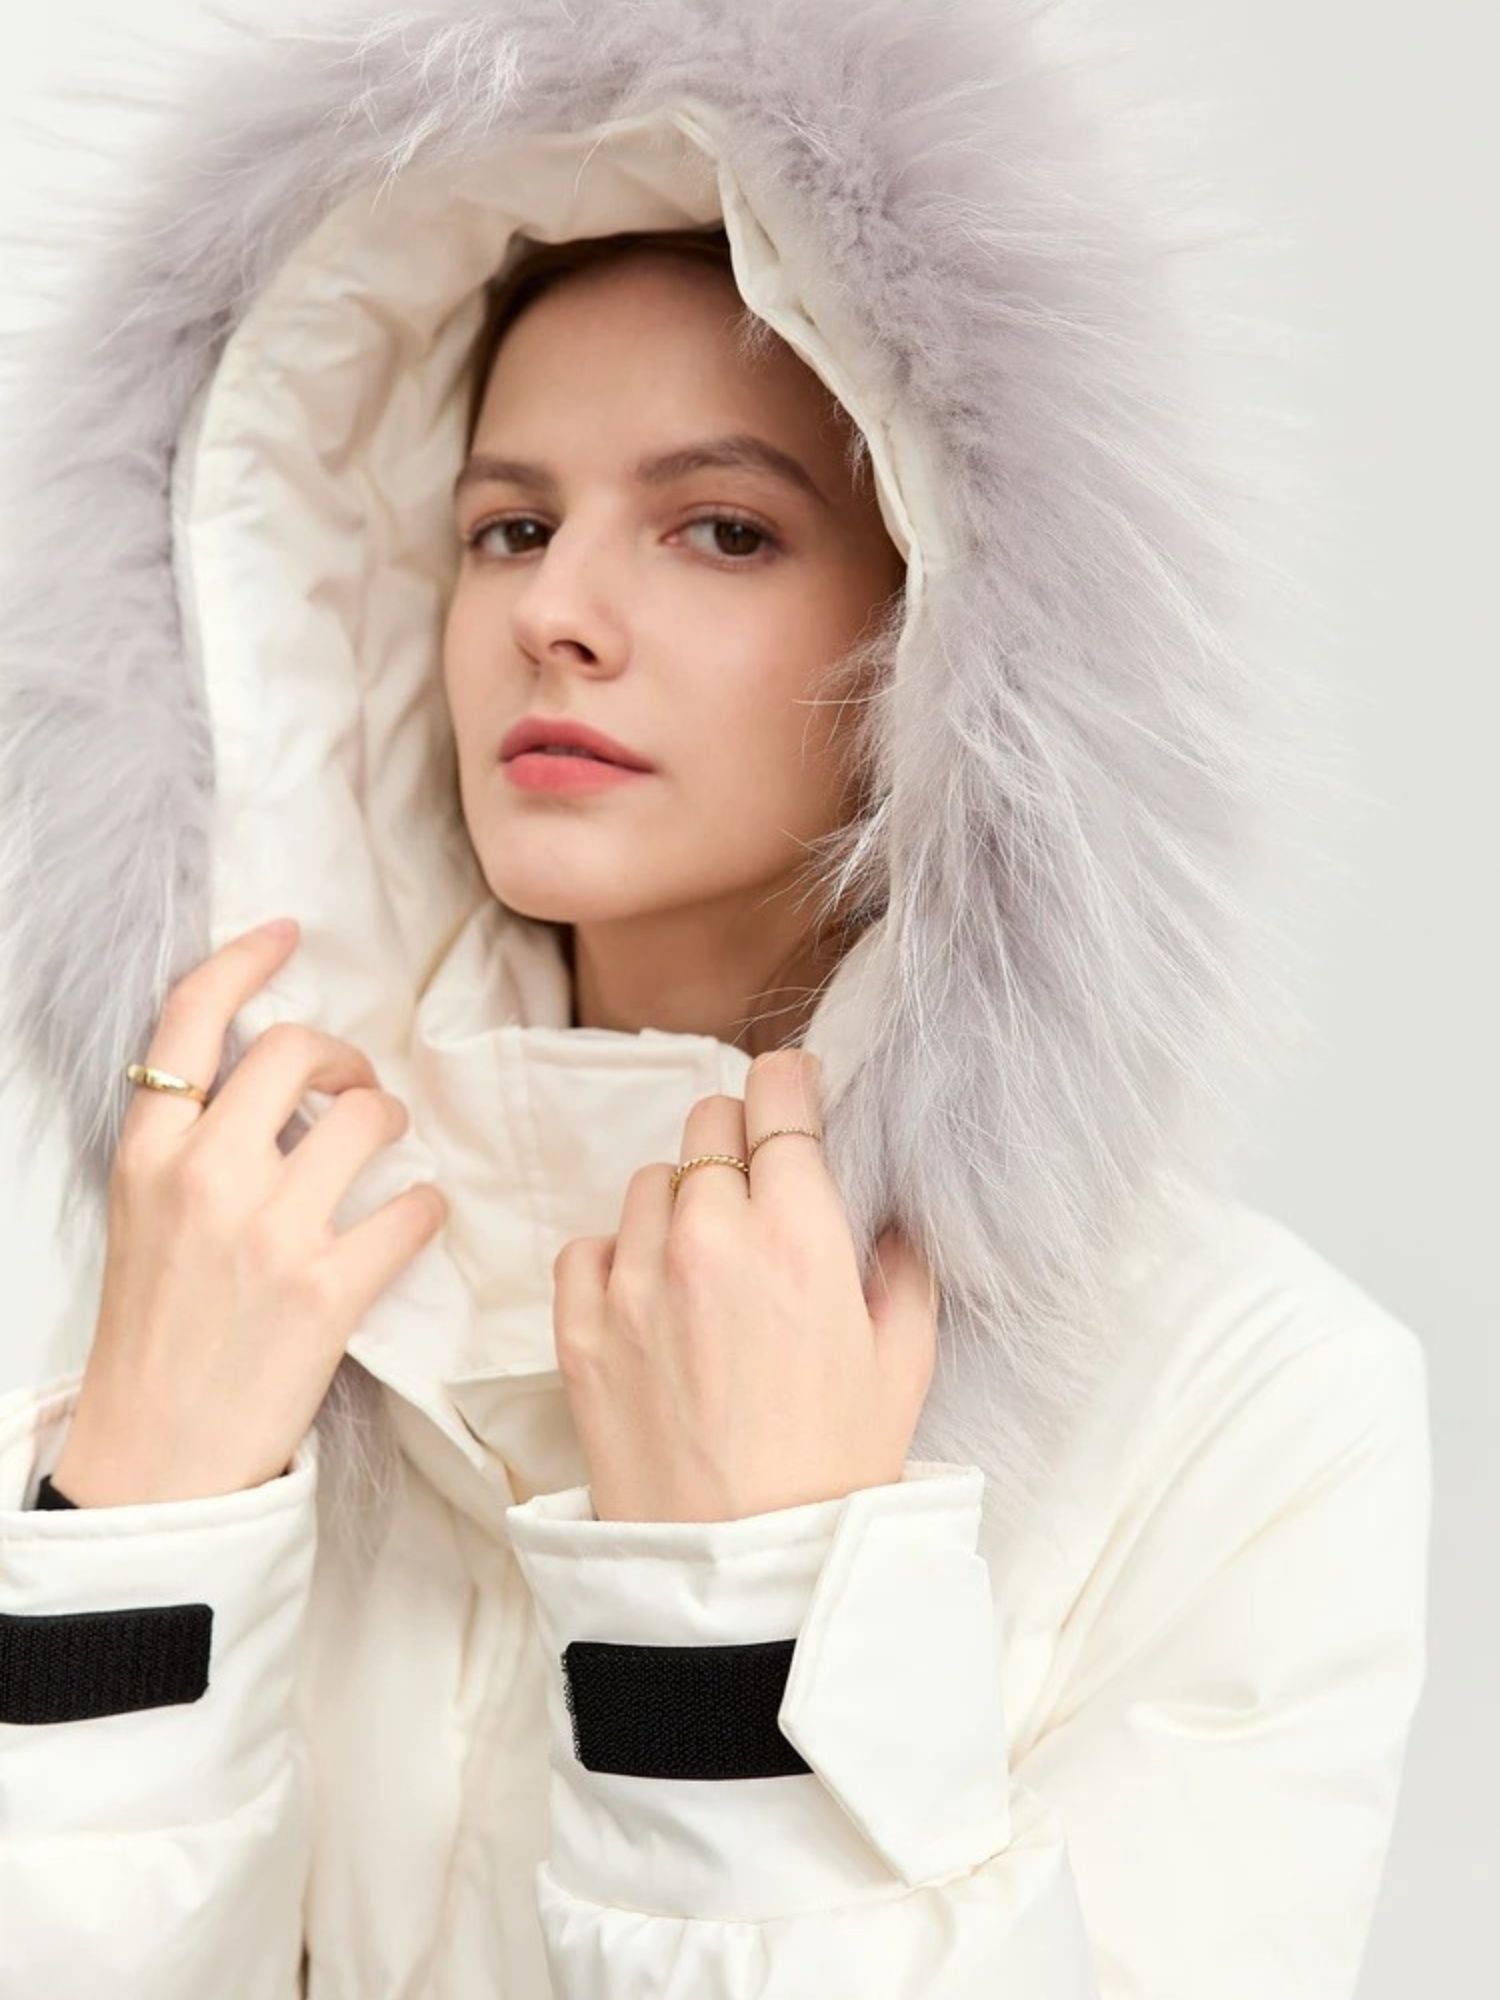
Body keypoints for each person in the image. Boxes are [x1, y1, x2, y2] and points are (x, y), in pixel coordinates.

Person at [0, 5, 1429, 1997]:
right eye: (505, 524)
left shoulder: (1255, 1404)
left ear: (961, 633)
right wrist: (134, 1522)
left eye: (721, 527)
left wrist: (751, 1619)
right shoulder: (181, 1315)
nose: (554, 608)